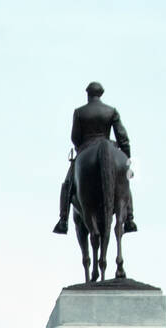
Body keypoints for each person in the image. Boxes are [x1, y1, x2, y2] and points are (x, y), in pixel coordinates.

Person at [53, 81, 138, 235]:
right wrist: (126, 159)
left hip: (86, 148)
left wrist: (82, 148)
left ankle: (63, 220)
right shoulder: (111, 111)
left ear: (88, 95)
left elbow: (75, 138)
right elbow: (123, 137)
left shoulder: (79, 112)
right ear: (101, 94)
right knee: (124, 182)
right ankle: (130, 218)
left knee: (67, 184)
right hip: (110, 145)